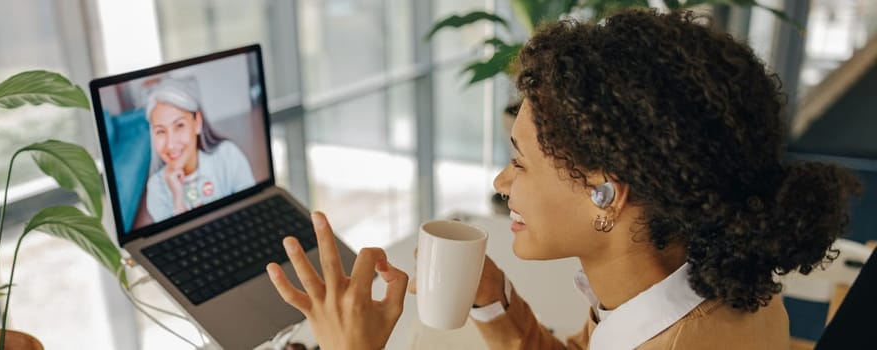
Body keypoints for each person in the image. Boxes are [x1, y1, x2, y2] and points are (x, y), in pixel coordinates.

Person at [266, 9, 864, 349]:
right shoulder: (675, 281)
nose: (502, 181)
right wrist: (494, 300)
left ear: (607, 191)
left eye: (521, 159)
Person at [144, 77, 256, 221]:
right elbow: (173, 239)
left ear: (197, 122)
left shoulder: (228, 156)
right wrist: (178, 200)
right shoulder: (156, 187)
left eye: (179, 126)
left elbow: (252, 210)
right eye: (160, 131)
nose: (170, 145)